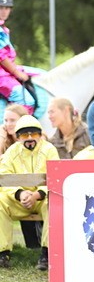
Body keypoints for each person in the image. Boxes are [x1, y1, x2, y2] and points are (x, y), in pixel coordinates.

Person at [0, 116, 58, 270]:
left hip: (41, 199)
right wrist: (20, 194)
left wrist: (36, 195)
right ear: (18, 137)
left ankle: (46, 253)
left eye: (35, 134)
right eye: (25, 135)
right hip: (18, 200)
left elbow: (57, 178)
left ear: (40, 135)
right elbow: (4, 177)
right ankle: (2, 253)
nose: (30, 138)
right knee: (0, 201)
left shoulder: (49, 150)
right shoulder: (12, 152)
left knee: (53, 203)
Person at [0, 0, 37, 112]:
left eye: (7, 8)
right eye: (1, 7)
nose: (4, 11)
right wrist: (17, 72)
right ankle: (21, 129)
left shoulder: (3, 29)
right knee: (27, 101)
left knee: (40, 74)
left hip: (5, 72)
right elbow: (2, 57)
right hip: (2, 75)